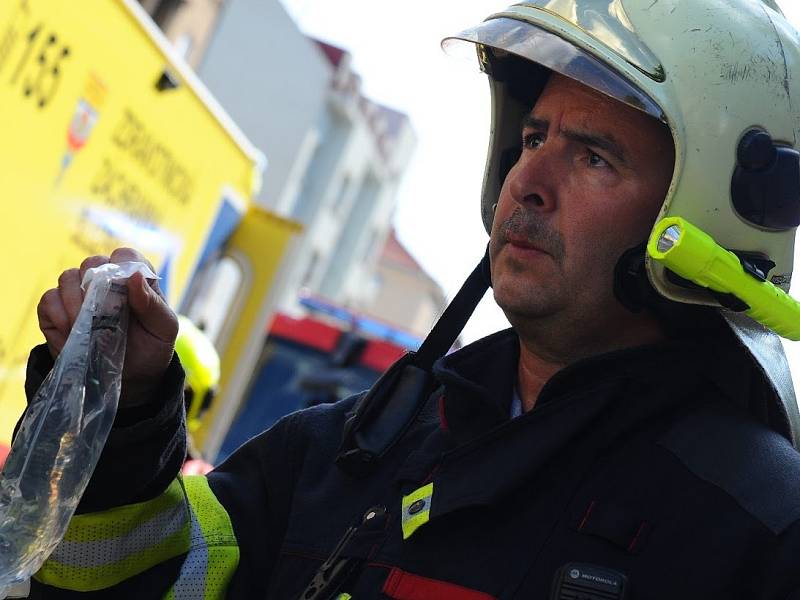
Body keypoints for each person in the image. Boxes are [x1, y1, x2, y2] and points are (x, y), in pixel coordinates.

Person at [24, 0, 800, 597]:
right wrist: (124, 414)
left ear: (704, 215)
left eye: (594, 157)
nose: (527, 183)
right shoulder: (345, 451)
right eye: (532, 139)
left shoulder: (763, 528)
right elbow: (132, 578)